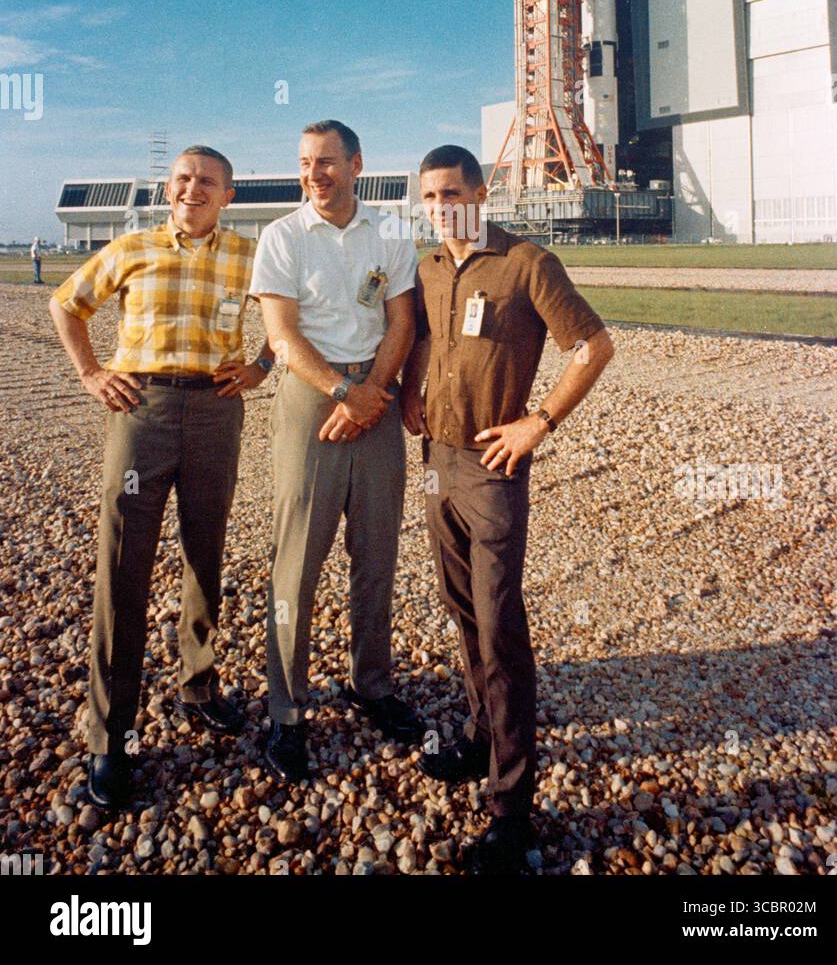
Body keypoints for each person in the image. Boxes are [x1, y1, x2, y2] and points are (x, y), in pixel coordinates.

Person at [401, 145, 614, 875]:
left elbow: (592, 345)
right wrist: (407, 389)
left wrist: (539, 422)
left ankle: (512, 811)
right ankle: (478, 736)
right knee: (462, 613)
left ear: (481, 191)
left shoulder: (527, 264)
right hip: (437, 463)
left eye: (452, 194)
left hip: (494, 468)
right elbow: (427, 333)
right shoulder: (429, 267)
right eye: (429, 197)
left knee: (498, 630)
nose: (440, 208)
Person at [49, 146, 273, 810]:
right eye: (181, 179)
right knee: (124, 563)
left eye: (206, 181)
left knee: (205, 553)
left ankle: (199, 686)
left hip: (215, 411)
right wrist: (91, 372)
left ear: (228, 194)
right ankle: (110, 733)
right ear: (168, 188)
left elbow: (294, 313)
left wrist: (261, 365)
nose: (191, 188)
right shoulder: (132, 246)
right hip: (140, 410)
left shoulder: (249, 254)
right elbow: (69, 304)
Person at [250, 120, 422, 782]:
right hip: (310, 393)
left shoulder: (393, 231)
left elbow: (402, 319)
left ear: (355, 164)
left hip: (375, 393)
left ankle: (370, 685)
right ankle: (287, 710)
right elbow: (282, 334)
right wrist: (341, 392)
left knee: (376, 552)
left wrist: (373, 391)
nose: (313, 174)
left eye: (326, 162)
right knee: (296, 560)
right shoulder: (282, 236)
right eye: (304, 163)